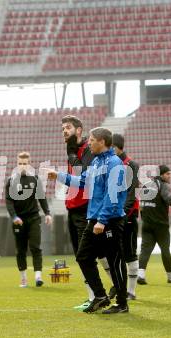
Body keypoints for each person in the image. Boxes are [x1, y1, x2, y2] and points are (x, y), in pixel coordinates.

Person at [47, 127, 128, 314]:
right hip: (95, 218)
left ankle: (122, 304)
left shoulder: (114, 163)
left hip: (109, 220)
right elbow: (82, 182)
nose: (88, 143)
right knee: (83, 256)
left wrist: (102, 220)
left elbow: (113, 194)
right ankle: (100, 295)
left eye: (91, 140)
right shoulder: (96, 163)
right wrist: (59, 176)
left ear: (102, 141)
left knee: (115, 262)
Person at [60, 115, 113, 310]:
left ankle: (115, 289)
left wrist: (72, 154)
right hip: (73, 209)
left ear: (79, 130)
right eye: (63, 128)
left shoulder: (88, 150)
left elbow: (81, 175)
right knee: (87, 255)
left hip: (85, 210)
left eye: (68, 127)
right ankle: (94, 296)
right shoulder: (73, 149)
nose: (64, 130)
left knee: (88, 255)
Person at [5, 152, 52, 288]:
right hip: (18, 220)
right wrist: (14, 216)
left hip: (33, 218)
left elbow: (42, 198)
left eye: (25, 163)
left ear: (29, 164)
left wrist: (47, 213)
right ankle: (23, 278)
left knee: (35, 247)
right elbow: (8, 202)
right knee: (21, 250)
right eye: (20, 163)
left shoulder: (35, 179)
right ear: (17, 164)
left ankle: (38, 277)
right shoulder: (11, 180)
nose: (22, 166)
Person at [138, 165, 171, 285]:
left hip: (147, 224)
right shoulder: (162, 185)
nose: (170, 176)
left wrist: (145, 220)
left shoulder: (146, 185)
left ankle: (140, 275)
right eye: (168, 174)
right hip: (160, 226)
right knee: (165, 250)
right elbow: (167, 197)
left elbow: (141, 206)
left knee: (145, 250)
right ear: (162, 174)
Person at [109, 134, 140, 300]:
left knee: (129, 253)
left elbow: (131, 192)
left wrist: (122, 212)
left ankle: (131, 292)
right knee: (112, 254)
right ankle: (118, 286)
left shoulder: (131, 165)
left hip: (126, 216)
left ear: (115, 147)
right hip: (112, 216)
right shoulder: (110, 164)